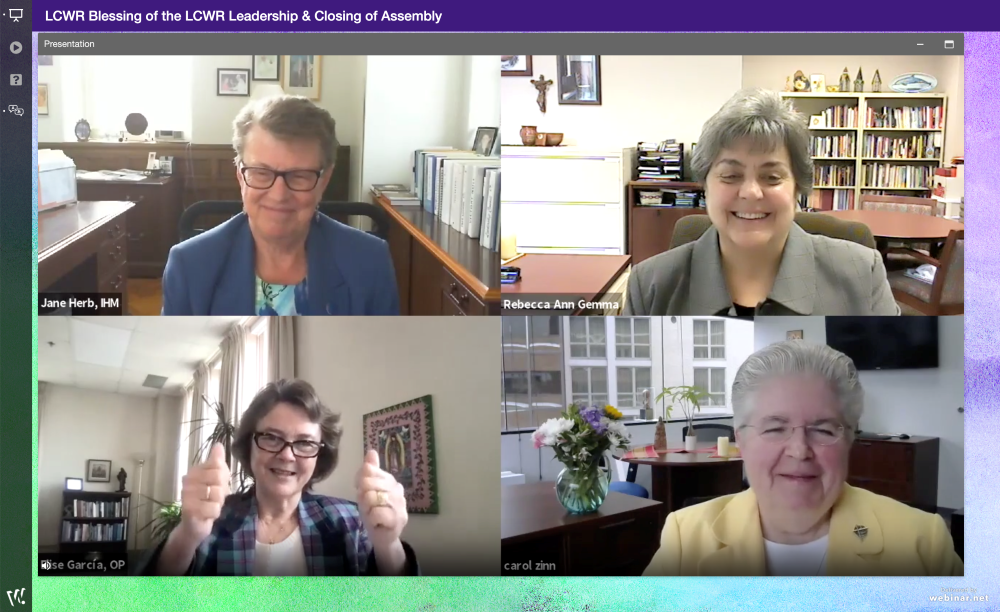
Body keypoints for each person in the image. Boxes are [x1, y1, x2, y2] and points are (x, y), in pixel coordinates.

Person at [643, 341, 962, 576]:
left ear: (849, 439)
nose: (799, 450)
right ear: (741, 440)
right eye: (775, 428)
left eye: (823, 430)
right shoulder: (688, 535)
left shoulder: (923, 541)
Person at [623, 88, 899, 316]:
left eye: (772, 177)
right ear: (705, 185)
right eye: (731, 175)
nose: (751, 192)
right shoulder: (649, 286)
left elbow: (895, 379)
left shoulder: (862, 274)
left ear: (797, 188)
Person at [136, 379, 418, 576]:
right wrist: (187, 535)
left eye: (305, 443)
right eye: (272, 438)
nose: (287, 455)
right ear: (250, 445)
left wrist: (388, 545)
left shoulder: (350, 522)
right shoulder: (212, 521)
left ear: (320, 455)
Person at [161, 95, 400, 315]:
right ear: (240, 176)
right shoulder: (190, 265)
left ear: (324, 181)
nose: (278, 195)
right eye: (261, 172)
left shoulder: (370, 262)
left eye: (298, 175)